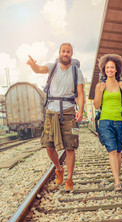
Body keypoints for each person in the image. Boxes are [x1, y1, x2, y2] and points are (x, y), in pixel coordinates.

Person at [27, 43, 84, 190]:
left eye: (69, 51)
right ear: (59, 52)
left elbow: (81, 94)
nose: (66, 54)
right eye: (63, 51)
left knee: (70, 147)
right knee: (48, 145)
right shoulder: (52, 67)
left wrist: (81, 110)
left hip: (69, 111)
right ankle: (59, 169)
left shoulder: (76, 71)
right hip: (51, 111)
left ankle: (69, 180)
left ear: (71, 54)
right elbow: (39, 70)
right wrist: (33, 65)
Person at [93, 54, 122, 191]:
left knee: (119, 151)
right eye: (107, 67)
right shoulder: (99, 86)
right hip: (105, 121)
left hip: (120, 121)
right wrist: (100, 91)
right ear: (104, 69)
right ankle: (117, 181)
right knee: (112, 150)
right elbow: (96, 105)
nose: (109, 69)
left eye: (112, 67)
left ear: (116, 70)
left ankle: (117, 178)